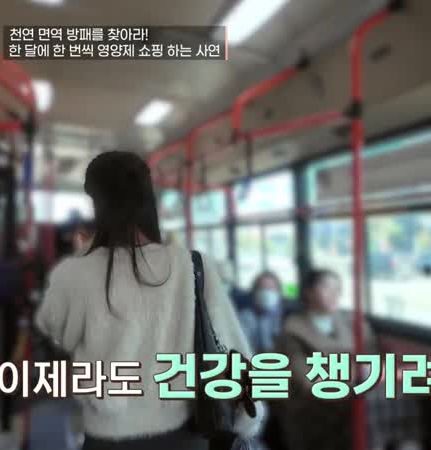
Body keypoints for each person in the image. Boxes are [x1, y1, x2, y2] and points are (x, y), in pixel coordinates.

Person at [34, 151, 264, 450]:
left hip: (107, 436)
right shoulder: (193, 265)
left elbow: (53, 330)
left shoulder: (75, 273)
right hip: (187, 434)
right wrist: (247, 421)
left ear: (97, 203)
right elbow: (234, 352)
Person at [275, 269, 423, 450]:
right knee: (365, 401)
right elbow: (306, 381)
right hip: (316, 400)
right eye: (326, 288)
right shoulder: (292, 331)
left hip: (357, 383)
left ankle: (406, 442)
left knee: (399, 391)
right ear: (309, 292)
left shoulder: (351, 320)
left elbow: (371, 355)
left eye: (338, 289)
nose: (334, 294)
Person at [238, 271, 284, 355]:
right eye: (262, 289)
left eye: (271, 289)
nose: (266, 293)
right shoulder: (244, 317)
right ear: (254, 292)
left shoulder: (286, 316)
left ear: (278, 292)